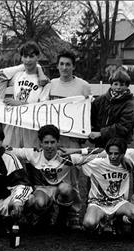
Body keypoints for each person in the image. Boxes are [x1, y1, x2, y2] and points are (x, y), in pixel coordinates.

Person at [41, 51, 93, 230]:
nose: (64, 67)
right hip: (53, 140)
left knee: (72, 179)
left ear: (73, 66)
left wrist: (81, 135)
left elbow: (87, 113)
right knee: (49, 174)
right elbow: (41, 108)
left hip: (71, 140)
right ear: (57, 66)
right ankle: (48, 211)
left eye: (68, 64)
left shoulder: (83, 86)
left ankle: (73, 215)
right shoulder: (50, 84)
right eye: (61, 64)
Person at [79, 137, 134, 234]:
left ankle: (120, 221)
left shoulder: (128, 162)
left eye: (116, 154)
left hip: (118, 202)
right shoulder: (96, 163)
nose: (112, 157)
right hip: (98, 203)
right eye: (110, 153)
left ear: (123, 153)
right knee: (88, 223)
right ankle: (101, 223)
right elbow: (77, 158)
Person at [2, 41, 49, 149]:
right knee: (10, 155)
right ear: (21, 58)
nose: (28, 60)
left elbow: (42, 107)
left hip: (31, 125)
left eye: (31, 56)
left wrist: (19, 103)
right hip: (15, 123)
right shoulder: (17, 76)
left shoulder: (44, 81)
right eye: (25, 56)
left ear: (38, 57)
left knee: (31, 157)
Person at [89, 67, 134, 149]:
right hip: (100, 142)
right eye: (116, 84)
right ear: (111, 84)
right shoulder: (100, 100)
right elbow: (91, 117)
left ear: (127, 86)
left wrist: (101, 133)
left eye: (122, 85)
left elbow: (123, 127)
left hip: (119, 144)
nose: (118, 87)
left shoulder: (129, 105)